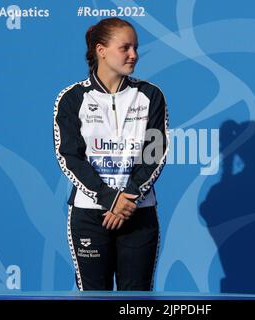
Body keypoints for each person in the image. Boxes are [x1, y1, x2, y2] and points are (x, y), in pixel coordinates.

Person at [53, 17, 169, 291]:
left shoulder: (151, 95)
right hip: (90, 215)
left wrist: (127, 198)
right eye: (125, 47)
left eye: (136, 48)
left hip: (138, 212)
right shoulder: (72, 98)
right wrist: (109, 199)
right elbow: (69, 157)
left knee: (136, 301)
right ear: (100, 50)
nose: (134, 55)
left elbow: (155, 153)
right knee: (94, 297)